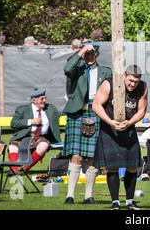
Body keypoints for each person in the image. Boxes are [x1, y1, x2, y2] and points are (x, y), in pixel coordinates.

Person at [62, 39, 112, 204]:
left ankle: (88, 196)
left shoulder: (106, 71)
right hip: (78, 113)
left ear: (97, 54)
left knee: (93, 157)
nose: (90, 56)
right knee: (76, 156)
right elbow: (67, 68)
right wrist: (81, 51)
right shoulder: (77, 68)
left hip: (97, 112)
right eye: (87, 53)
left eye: (92, 53)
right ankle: (70, 196)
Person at [93, 65, 148, 210]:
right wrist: (111, 122)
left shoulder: (142, 87)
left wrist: (129, 122)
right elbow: (96, 105)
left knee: (132, 167)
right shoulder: (109, 83)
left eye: (136, 82)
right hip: (109, 130)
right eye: (130, 81)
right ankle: (115, 202)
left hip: (128, 128)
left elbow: (142, 110)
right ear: (124, 75)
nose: (133, 84)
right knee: (112, 167)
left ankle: (130, 201)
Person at [8, 88, 63, 174]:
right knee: (12, 147)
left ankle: (24, 169)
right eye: (42, 98)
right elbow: (13, 124)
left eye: (45, 98)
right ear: (34, 100)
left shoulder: (50, 108)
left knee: (44, 145)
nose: (44, 100)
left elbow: (62, 114)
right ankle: (14, 170)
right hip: (24, 136)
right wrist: (30, 121)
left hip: (41, 137)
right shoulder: (22, 109)